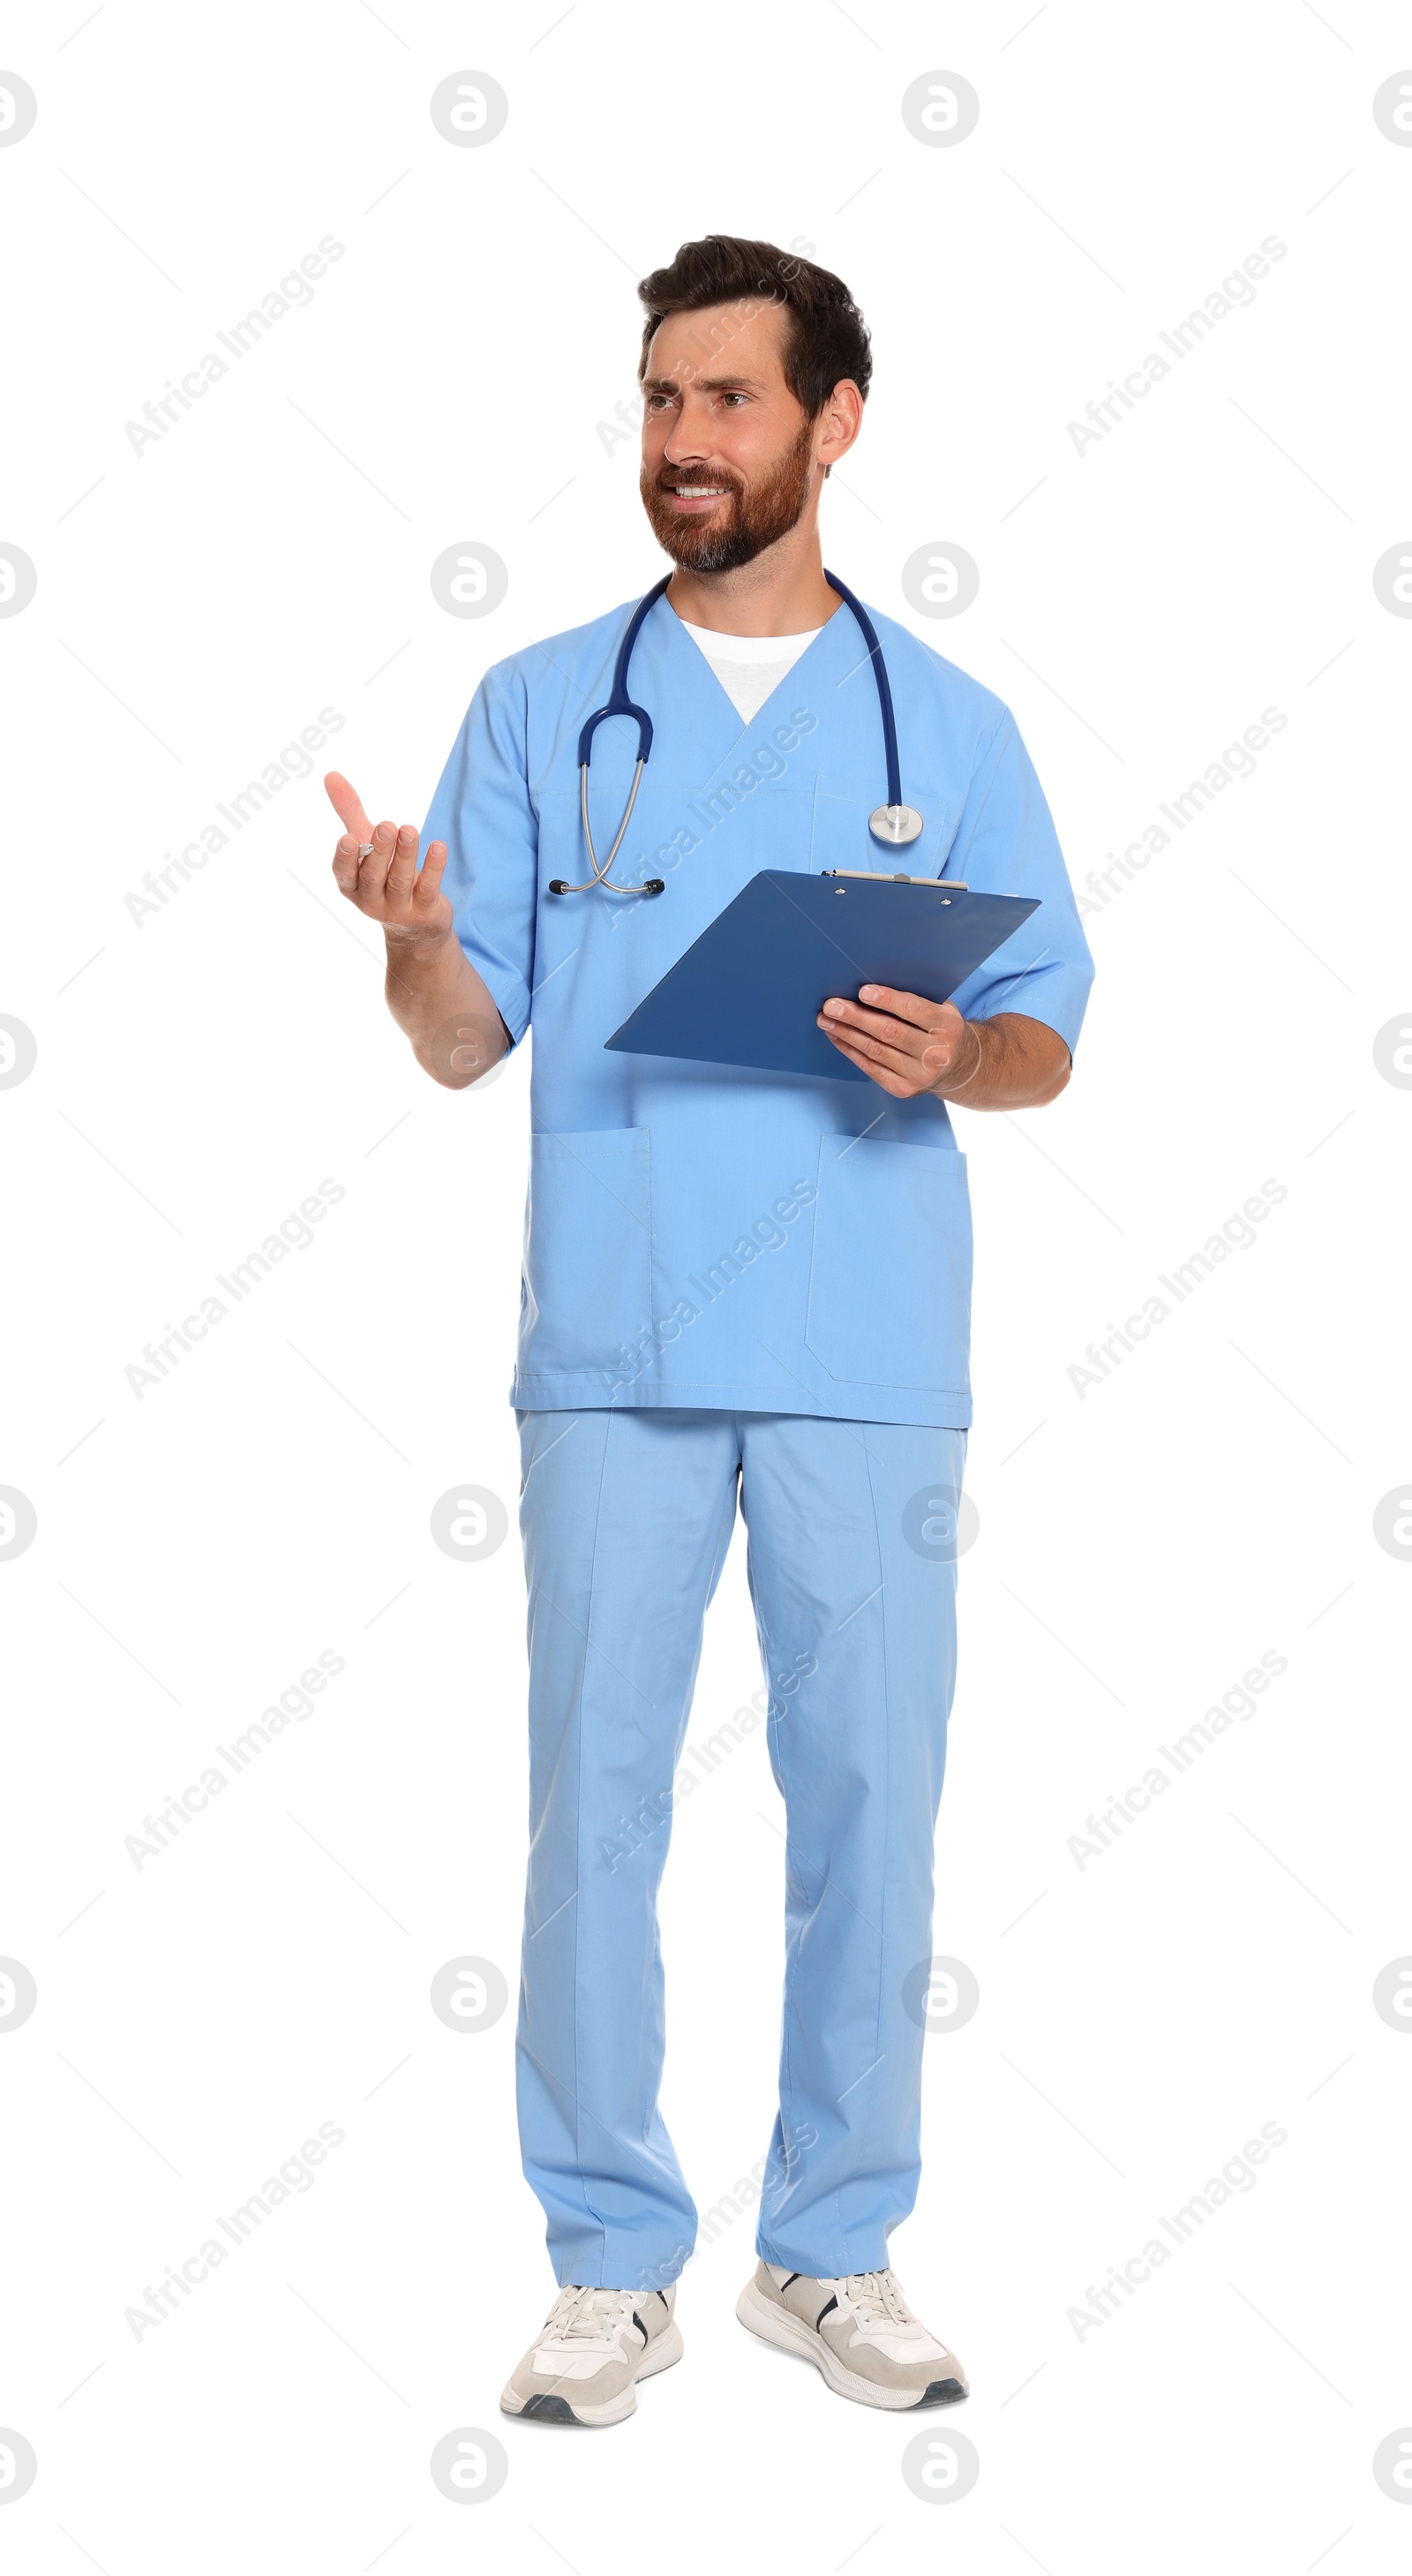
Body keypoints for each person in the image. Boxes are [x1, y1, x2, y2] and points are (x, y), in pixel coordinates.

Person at [325, 235, 1093, 2428]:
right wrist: (405, 943)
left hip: (862, 1331)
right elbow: (464, 1038)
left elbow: (1042, 1038)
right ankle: (605, 2258)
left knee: (874, 1792)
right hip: (621, 1333)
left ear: (832, 425)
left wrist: (954, 1057)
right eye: (660, 400)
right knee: (592, 1800)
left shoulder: (941, 729)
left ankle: (829, 2250)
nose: (681, 442)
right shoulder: (544, 707)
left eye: (728, 402)